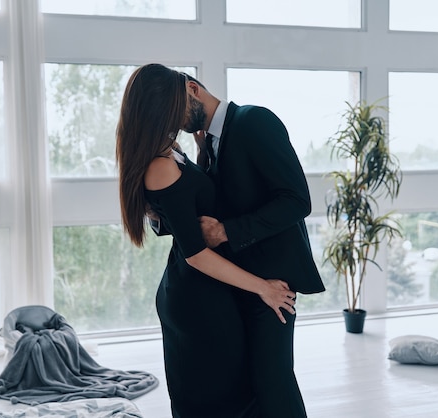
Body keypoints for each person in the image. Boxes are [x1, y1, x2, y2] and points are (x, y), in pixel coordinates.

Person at [116, 63, 298, 418]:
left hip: (205, 293)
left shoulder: (173, 153)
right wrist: (262, 287)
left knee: (231, 395)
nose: (178, 119)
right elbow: (196, 254)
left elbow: (192, 206)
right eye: (170, 109)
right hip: (197, 297)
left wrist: (202, 160)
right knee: (213, 401)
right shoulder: (160, 164)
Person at [180, 70, 326, 418]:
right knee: (250, 385)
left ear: (193, 88)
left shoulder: (253, 120)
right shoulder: (210, 142)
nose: (173, 122)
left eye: (173, 111)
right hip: (240, 280)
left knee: (273, 382)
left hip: (272, 281)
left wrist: (227, 231)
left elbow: (297, 200)